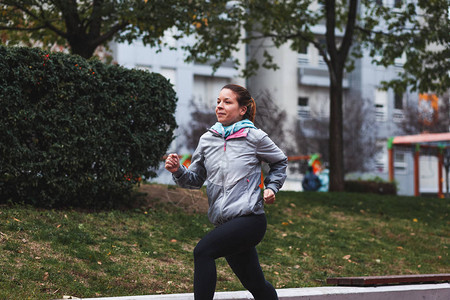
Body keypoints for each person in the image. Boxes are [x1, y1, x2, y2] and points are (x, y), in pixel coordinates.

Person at [165, 84, 287, 300]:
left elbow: (280, 162)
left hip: (250, 220)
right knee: (256, 285)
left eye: (227, 102)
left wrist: (271, 187)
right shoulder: (207, 139)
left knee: (202, 252)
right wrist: (178, 171)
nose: (219, 106)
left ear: (242, 109)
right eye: (218, 101)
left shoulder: (254, 137)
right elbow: (194, 180)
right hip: (225, 224)